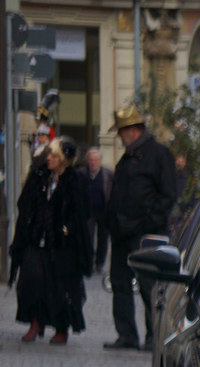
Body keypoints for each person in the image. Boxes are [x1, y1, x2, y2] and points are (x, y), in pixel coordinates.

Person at [104, 104, 177, 350]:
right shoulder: (129, 156)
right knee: (120, 285)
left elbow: (167, 196)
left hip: (144, 234)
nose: (119, 137)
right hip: (122, 233)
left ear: (133, 130)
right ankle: (127, 335)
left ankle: (152, 336)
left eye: (122, 131)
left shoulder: (158, 154)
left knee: (149, 287)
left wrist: (147, 224)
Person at [10, 137, 92, 344]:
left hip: (62, 246)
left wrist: (66, 229)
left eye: (54, 155)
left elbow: (81, 213)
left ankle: (61, 328)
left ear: (64, 159)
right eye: (49, 154)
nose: (50, 158)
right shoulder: (40, 178)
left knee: (59, 287)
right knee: (31, 281)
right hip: (37, 240)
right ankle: (35, 322)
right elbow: (26, 203)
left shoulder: (75, 181)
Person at [79, 145, 113, 275]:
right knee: (88, 236)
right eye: (91, 159)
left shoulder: (108, 174)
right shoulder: (82, 173)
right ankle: (88, 261)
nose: (93, 162)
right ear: (88, 161)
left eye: (96, 159)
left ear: (100, 161)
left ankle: (100, 262)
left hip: (103, 210)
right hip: (88, 210)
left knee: (103, 237)